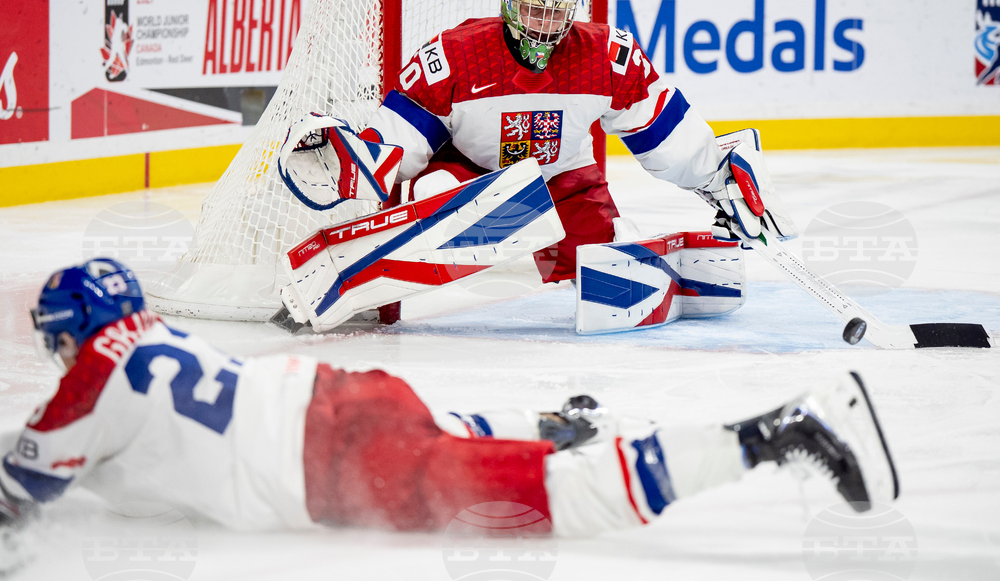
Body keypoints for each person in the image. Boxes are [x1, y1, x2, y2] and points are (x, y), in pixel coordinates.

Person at [1, 258, 898, 537]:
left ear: (71, 328)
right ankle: (555, 424)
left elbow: (21, 492)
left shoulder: (85, 379)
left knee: (549, 503)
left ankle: (775, 432)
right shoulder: (160, 336)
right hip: (345, 396)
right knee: (435, 434)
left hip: (329, 463)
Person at [359, 0, 798, 283]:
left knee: (600, 275)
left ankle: (576, 266)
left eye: (556, 14)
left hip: (562, 179)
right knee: (433, 191)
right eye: (535, 11)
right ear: (511, 5)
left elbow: (661, 126)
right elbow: (405, 134)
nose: (545, 26)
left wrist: (716, 176)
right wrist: (360, 164)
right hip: (472, 174)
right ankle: (385, 269)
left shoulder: (605, 57)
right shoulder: (458, 55)